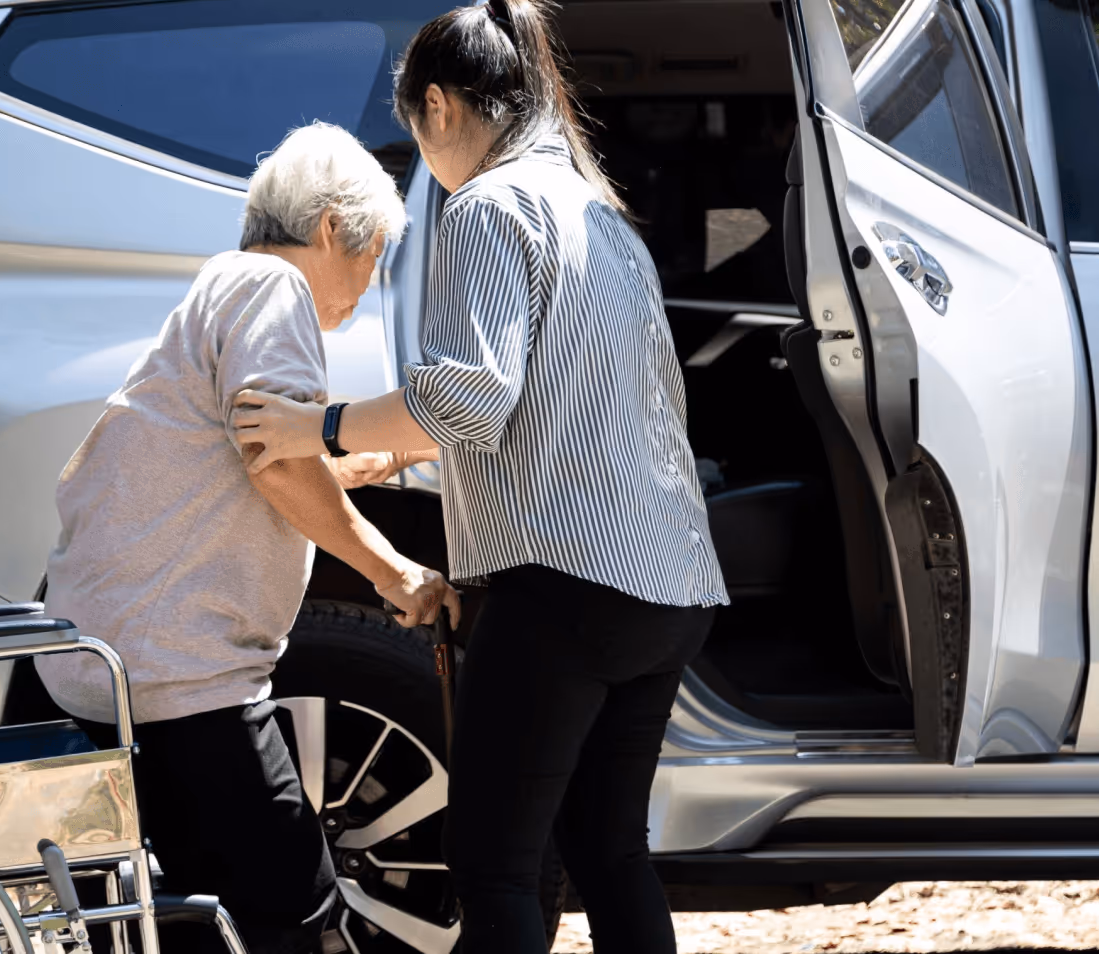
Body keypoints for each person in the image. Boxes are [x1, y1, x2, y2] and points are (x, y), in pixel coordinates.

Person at [230, 2, 729, 951]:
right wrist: (395, 449)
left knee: (494, 865)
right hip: (668, 586)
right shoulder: (600, 212)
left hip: (562, 589)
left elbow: (469, 395)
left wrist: (319, 425)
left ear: (437, 105)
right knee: (611, 850)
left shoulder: (488, 206)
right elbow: (560, 399)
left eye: (414, 132)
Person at [34, 121, 460, 954]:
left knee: (197, 917)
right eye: (373, 257)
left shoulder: (223, 284)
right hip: (180, 674)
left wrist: (367, 459)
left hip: (116, 659)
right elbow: (272, 466)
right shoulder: (275, 291)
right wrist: (395, 573)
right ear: (334, 230)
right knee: (291, 911)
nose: (369, 285)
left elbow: (233, 461)